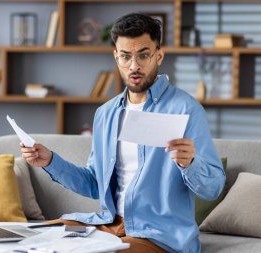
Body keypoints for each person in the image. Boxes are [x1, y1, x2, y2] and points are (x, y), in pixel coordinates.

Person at [20, 13, 225, 253]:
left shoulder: (186, 109)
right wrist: (51, 162)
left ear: (159, 55)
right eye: (126, 57)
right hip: (108, 225)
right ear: (116, 57)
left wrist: (190, 163)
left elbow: (213, 188)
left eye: (143, 55)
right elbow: (96, 184)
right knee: (32, 241)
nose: (134, 66)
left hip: (157, 236)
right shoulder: (106, 114)